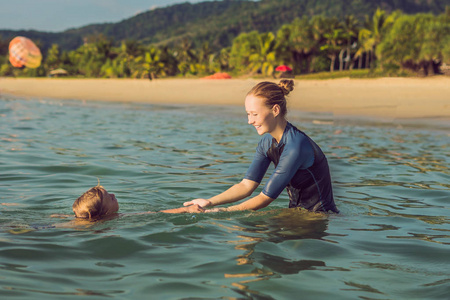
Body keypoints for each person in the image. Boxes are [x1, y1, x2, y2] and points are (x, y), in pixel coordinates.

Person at [184, 80, 339, 213]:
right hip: (297, 215)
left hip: (319, 218)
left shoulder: (295, 146)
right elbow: (246, 185)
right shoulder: (266, 143)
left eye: (255, 114)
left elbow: (265, 198)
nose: (249, 121)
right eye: (248, 114)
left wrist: (223, 211)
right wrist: (210, 202)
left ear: (275, 110)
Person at [72, 185, 204, 220]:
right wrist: (186, 209)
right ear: (102, 212)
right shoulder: (115, 217)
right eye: (110, 198)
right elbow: (154, 213)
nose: (114, 195)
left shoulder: (75, 222)